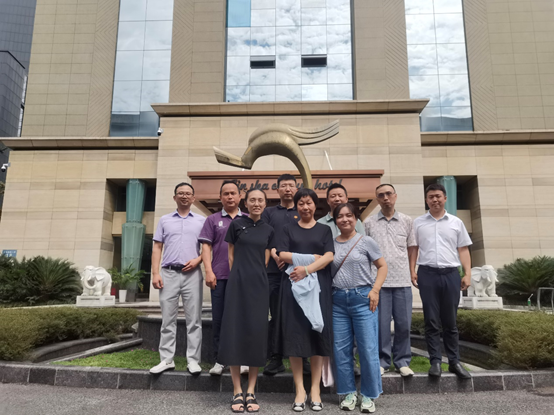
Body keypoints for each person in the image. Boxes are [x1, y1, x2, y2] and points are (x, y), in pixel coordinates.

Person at [276, 188, 334, 412]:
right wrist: (311, 259)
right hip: (293, 287)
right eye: (301, 203)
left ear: (315, 205)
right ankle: (300, 389)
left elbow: (329, 256)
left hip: (319, 288)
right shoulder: (287, 228)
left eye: (309, 203)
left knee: (316, 334)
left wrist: (306, 269)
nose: (305, 207)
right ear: (296, 206)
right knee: (295, 335)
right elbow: (282, 254)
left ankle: (315, 389)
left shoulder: (324, 230)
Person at [218, 189, 274, 413]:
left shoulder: (269, 229)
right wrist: (237, 278)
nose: (256, 203)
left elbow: (266, 260)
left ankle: (251, 390)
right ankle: (236, 390)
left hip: (259, 286)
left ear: (265, 204)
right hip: (237, 284)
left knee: (256, 334)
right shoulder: (236, 225)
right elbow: (231, 255)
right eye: (253, 200)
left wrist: (256, 277)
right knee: (234, 332)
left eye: (260, 200)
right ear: (246, 203)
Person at [410, 183, 472, 379]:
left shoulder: (456, 222)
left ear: (445, 198)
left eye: (438, 196)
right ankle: (435, 361)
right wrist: (412, 270)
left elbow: (463, 249)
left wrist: (467, 273)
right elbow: (414, 248)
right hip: (427, 274)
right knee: (431, 320)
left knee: (450, 321)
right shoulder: (418, 223)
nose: (434, 200)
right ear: (426, 200)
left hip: (451, 274)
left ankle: (454, 362)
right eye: (431, 197)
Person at [332, 203, 388, 413]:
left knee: (367, 348)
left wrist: (375, 290)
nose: (345, 219)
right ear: (335, 220)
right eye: (340, 216)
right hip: (337, 301)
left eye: (349, 215)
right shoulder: (330, 244)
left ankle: (368, 395)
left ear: (355, 218)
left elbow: (382, 266)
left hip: (363, 299)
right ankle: (348, 393)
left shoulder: (366, 242)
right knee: (341, 350)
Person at [150, 182, 205, 375]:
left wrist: (198, 260)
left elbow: (208, 248)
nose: (184, 196)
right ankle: (166, 360)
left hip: (192, 274)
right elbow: (157, 247)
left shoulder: (201, 221)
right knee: (168, 320)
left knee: (194, 320)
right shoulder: (164, 220)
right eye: (180, 193)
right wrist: (155, 273)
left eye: (188, 193)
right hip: (169, 274)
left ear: (193, 198)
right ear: (175, 197)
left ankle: (193, 361)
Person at [365, 184, 417, 377]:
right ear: (377, 199)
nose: (385, 197)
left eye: (388, 194)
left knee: (404, 324)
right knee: (381, 325)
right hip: (378, 283)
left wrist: (412, 271)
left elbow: (412, 247)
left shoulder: (407, 221)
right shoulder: (369, 223)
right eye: (381, 195)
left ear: (395, 196)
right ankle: (382, 361)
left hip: (402, 280)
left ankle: (402, 361)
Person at [199, 180, 248, 376]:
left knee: (242, 318)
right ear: (220, 198)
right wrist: (208, 271)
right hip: (219, 276)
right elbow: (206, 247)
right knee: (219, 319)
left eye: (233, 193)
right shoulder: (212, 220)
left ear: (240, 196)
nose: (230, 196)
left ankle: (242, 359)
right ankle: (220, 360)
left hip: (243, 277)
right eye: (226, 194)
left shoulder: (248, 219)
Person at [261, 174, 305, 376]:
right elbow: (265, 237)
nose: (288, 189)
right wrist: (274, 254)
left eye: (291, 185)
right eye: (284, 186)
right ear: (277, 190)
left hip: (298, 272)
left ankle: (302, 357)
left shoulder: (302, 210)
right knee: (276, 315)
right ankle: (276, 358)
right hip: (274, 272)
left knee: (300, 314)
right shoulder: (269, 212)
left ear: (296, 189)